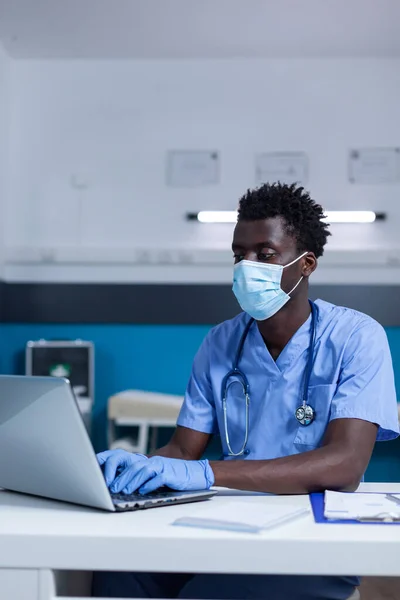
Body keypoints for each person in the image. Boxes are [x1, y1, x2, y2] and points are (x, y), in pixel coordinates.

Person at [93, 182, 399, 600]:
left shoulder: (356, 337)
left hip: (311, 534)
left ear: (306, 264)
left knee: (208, 593)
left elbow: (345, 464)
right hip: (227, 520)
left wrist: (207, 473)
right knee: (118, 576)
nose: (247, 265)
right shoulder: (221, 343)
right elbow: (183, 452)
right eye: (239, 255)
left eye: (266, 254)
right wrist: (134, 467)